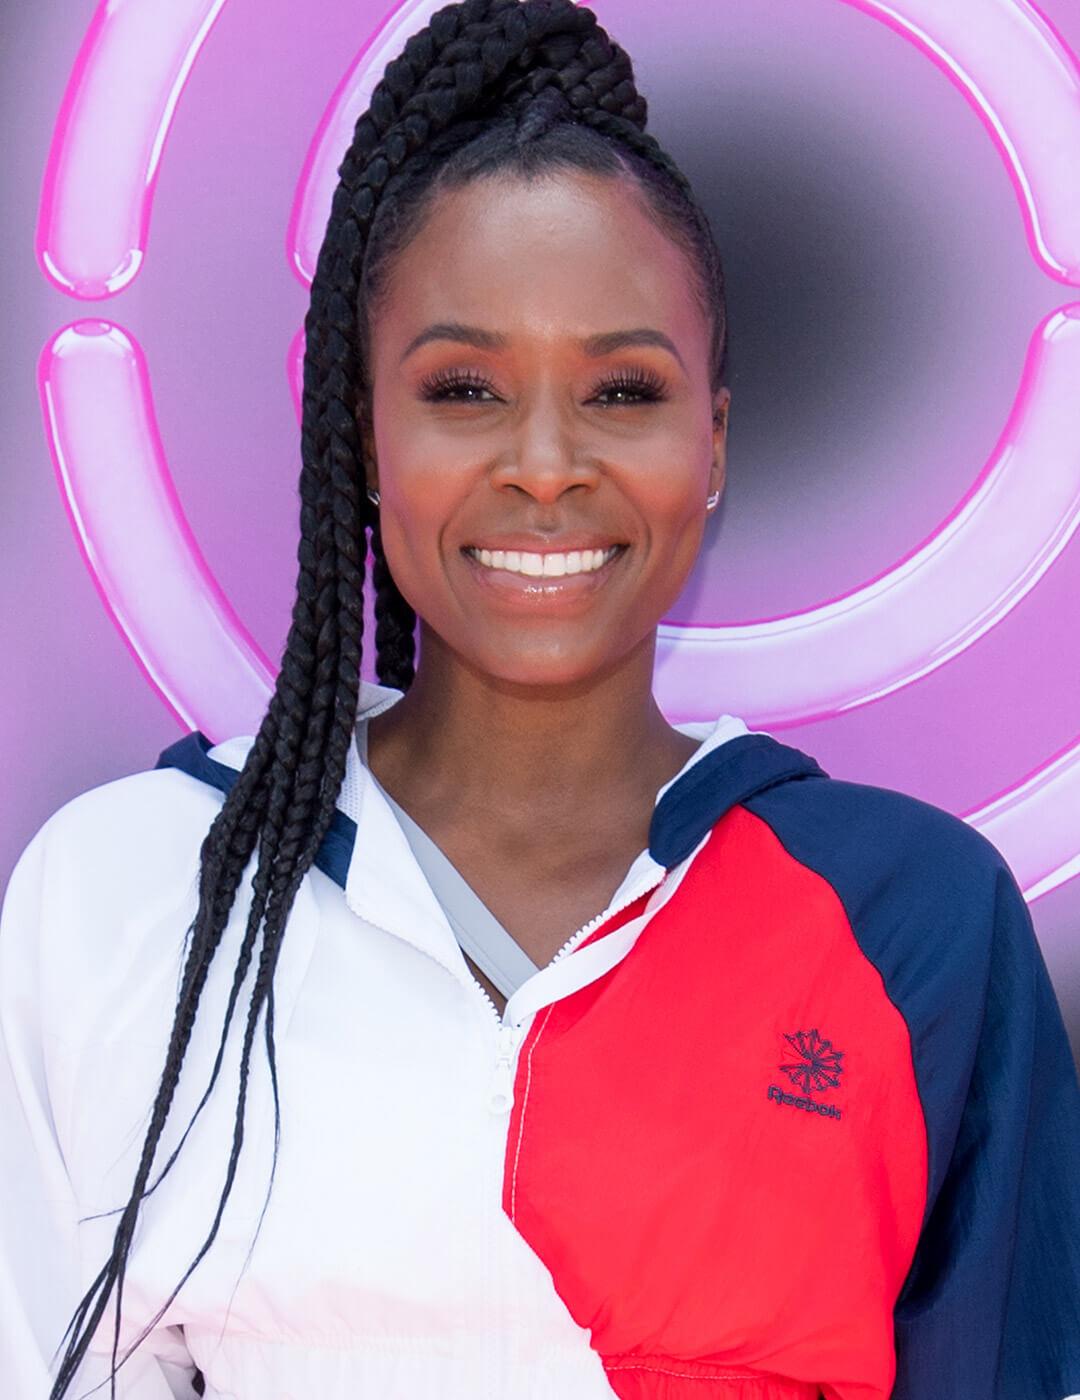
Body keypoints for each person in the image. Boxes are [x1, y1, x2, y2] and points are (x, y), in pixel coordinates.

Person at [2, 0, 1079, 1396]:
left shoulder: (916, 920)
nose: (548, 463)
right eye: (464, 388)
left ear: (712, 443)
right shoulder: (129, 892)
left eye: (623, 392)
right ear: (362, 432)